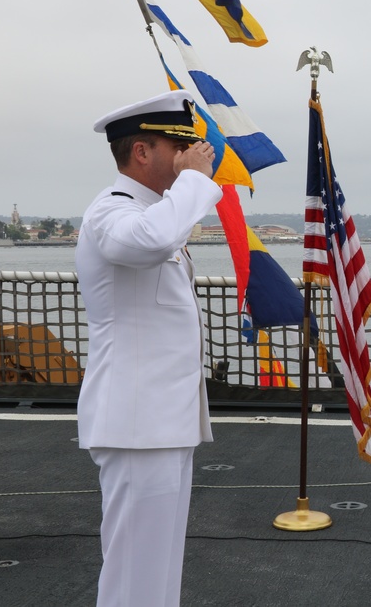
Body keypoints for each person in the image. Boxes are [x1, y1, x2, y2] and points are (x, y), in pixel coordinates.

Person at [76, 90, 222, 607]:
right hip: (135, 422)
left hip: (161, 421)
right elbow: (147, 243)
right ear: (142, 152)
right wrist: (196, 180)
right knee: (135, 571)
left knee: (158, 569)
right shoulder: (110, 213)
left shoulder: (154, 213)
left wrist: (186, 184)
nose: (191, 155)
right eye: (179, 147)